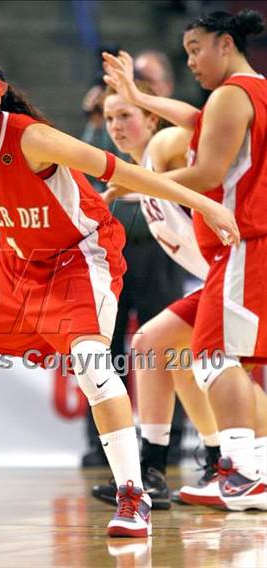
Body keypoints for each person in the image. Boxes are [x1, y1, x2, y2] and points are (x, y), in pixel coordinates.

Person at [0, 57, 239, 536]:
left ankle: (133, 497)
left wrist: (203, 202)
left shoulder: (32, 139)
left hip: (79, 254)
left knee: (94, 365)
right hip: (15, 259)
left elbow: (122, 170)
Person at [103, 9, 267, 511]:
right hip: (235, 251)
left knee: (215, 357)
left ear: (224, 43)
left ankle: (241, 472)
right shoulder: (246, 93)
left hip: (244, 242)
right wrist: (137, 95)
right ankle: (225, 466)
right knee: (159, 340)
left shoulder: (232, 94)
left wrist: (135, 182)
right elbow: (197, 120)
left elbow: (208, 172)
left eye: (196, 48)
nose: (191, 60)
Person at [90, 83, 220, 509]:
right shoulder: (139, 174)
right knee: (169, 356)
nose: (116, 126)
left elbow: (206, 128)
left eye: (126, 114)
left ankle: (225, 463)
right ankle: (194, 464)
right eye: (110, 119)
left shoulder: (165, 144)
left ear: (150, 119)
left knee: (180, 358)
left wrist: (141, 92)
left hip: (240, 273)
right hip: (217, 278)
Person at [81, 51, 186, 469]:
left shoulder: (168, 134)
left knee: (168, 348)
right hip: (109, 254)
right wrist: (94, 121)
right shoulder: (106, 128)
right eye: (111, 117)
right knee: (102, 349)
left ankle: (169, 445)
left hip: (159, 252)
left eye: (145, 79)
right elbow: (85, 176)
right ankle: (104, 443)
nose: (117, 125)